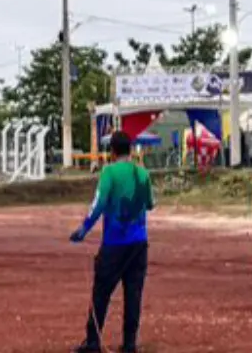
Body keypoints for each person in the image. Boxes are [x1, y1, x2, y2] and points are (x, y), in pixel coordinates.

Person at [71, 131, 153, 353]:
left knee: (101, 292)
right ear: (130, 149)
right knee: (133, 294)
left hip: (114, 243)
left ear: (112, 151)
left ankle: (93, 342)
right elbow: (150, 204)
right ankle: (129, 344)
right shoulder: (143, 174)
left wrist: (83, 230)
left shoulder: (109, 173)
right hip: (139, 243)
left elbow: (98, 204)